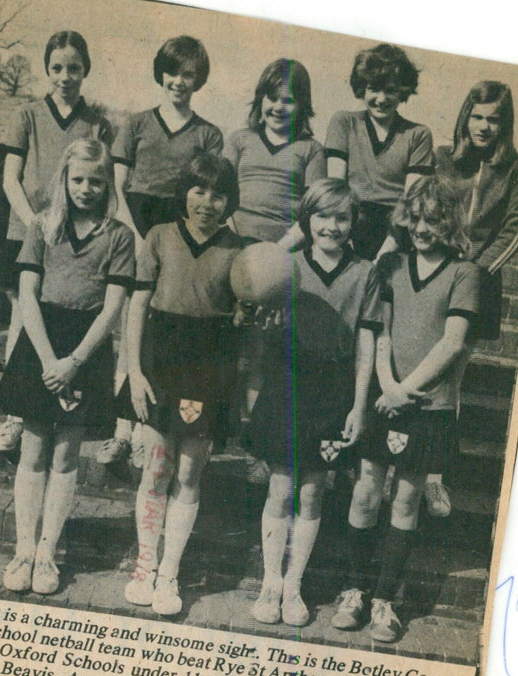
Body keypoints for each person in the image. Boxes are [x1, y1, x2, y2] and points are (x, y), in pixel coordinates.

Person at [331, 175, 480, 641]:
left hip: (427, 405)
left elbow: (452, 343)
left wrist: (405, 390)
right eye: (414, 218)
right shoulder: (392, 265)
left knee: (408, 499)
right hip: (385, 395)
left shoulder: (465, 273)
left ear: (450, 222)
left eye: (433, 219)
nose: (421, 228)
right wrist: (388, 384)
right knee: (364, 491)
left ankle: (384, 600)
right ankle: (354, 590)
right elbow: (381, 333)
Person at [0, 139, 132, 594]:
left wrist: (73, 362)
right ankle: (22, 549)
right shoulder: (42, 226)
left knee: (67, 453)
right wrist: (49, 359)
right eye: (78, 179)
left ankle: (47, 554)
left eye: (96, 180)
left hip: (85, 351)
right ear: (64, 179)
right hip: (41, 342)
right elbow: (28, 297)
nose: (87, 188)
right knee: (33, 448)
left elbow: (112, 309)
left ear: (107, 182)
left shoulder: (118, 237)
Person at [247, 178, 381, 627]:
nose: (332, 226)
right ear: (308, 219)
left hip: (334, 391)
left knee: (312, 492)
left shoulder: (365, 273)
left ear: (354, 223)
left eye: (342, 217)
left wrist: (359, 405)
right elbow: (263, 333)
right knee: (281, 486)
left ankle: (294, 586)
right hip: (288, 385)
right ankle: (270, 581)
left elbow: (367, 346)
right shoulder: (286, 266)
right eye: (323, 216)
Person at [118, 154, 242, 616]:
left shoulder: (238, 249)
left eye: (219, 193)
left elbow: (243, 314)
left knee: (189, 472)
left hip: (209, 363)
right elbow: (137, 306)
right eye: (199, 190)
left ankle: (170, 572)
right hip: (161, 357)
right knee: (155, 467)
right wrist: (133, 370)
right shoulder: (158, 238)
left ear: (231, 200)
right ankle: (144, 565)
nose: (208, 202)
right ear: (184, 193)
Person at [97, 35, 223, 466]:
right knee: (129, 321)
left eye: (189, 74)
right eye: (173, 72)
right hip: (134, 224)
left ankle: (145, 427)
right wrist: (134, 233)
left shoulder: (208, 133)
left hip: (176, 230)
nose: (179, 81)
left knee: (160, 324)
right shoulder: (134, 124)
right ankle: (119, 429)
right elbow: (115, 185)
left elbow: (208, 190)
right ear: (161, 73)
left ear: (198, 80)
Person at [0, 30, 112, 452]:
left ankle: (52, 403)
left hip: (74, 237)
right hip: (31, 231)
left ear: (85, 70)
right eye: (57, 67)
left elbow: (100, 178)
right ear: (47, 69)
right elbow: (10, 178)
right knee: (22, 317)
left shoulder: (95, 122)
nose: (65, 76)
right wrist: (36, 224)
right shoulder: (26, 115)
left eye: (74, 68)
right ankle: (14, 415)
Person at [421, 81, 518, 516]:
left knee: (450, 380)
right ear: (466, 117)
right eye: (478, 116)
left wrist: (473, 271)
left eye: (494, 119)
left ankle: (434, 477)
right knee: (417, 365)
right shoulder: (444, 159)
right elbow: (426, 209)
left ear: (504, 125)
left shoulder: (516, 168)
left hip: (479, 283)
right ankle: (399, 466)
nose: (485, 127)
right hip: (435, 275)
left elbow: (514, 230)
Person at [223, 58, 326, 476]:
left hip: (282, 256)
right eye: (272, 97)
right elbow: (220, 192)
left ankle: (256, 445)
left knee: (265, 351)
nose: (279, 107)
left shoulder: (310, 150)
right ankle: (217, 431)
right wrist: (236, 244)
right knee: (229, 342)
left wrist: (274, 256)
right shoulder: (239, 139)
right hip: (233, 248)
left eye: (290, 100)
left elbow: (315, 210)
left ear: (303, 106)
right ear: (260, 98)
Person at [324, 43, 433, 262]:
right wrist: (344, 241)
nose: (381, 99)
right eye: (374, 88)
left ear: (402, 91)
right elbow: (335, 192)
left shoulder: (418, 134)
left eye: (391, 90)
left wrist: (384, 255)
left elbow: (410, 203)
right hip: (350, 226)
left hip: (395, 231)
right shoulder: (344, 122)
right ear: (362, 87)